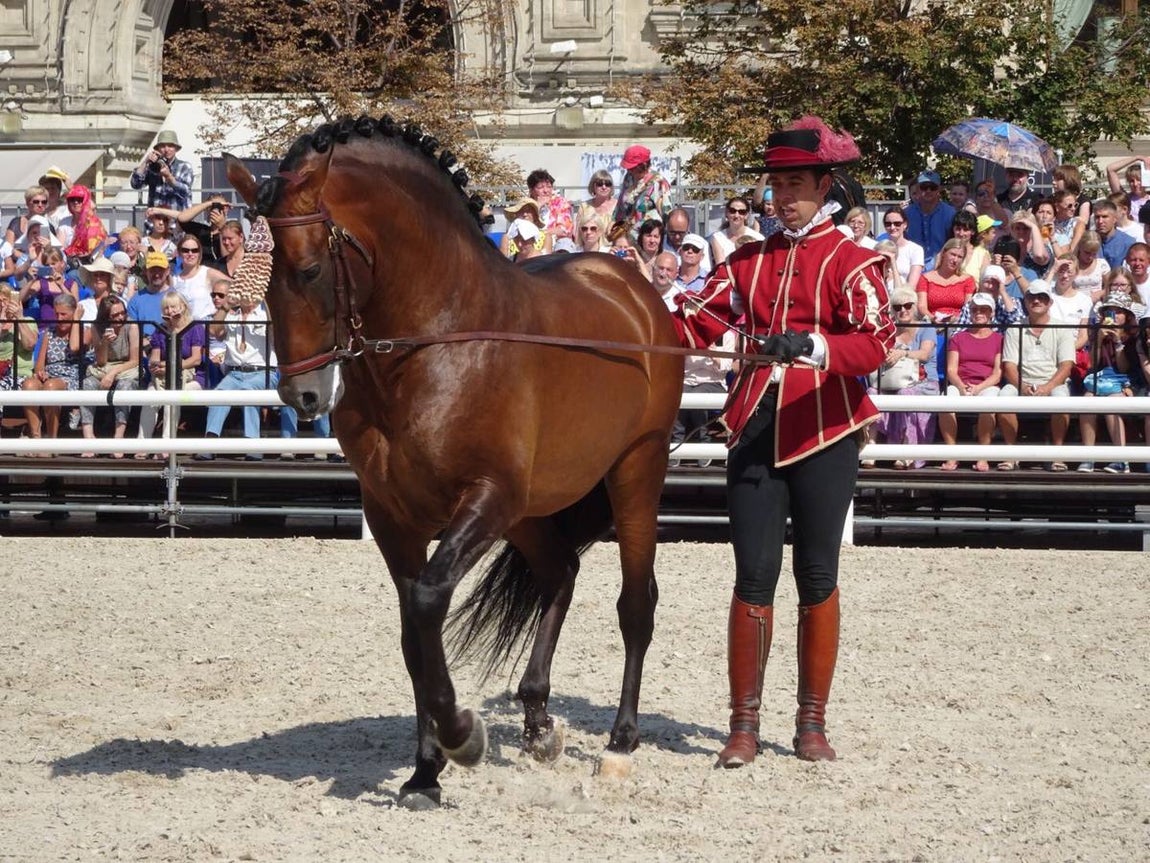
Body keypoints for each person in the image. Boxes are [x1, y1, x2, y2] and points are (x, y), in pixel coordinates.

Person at [670, 116, 892, 767]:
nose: (785, 196)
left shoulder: (855, 260)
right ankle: (742, 724)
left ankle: (811, 723)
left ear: (825, 185)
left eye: (797, 184)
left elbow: (876, 341)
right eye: (778, 185)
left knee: (818, 572)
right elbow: (691, 320)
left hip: (827, 430)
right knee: (752, 574)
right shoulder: (746, 260)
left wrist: (818, 346)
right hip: (754, 429)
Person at [997, 281, 1074, 471]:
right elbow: (1009, 365)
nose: (1037, 301)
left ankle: (1058, 454)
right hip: (1021, 382)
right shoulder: (1014, 328)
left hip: (1053, 381)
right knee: (1004, 397)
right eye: (1032, 297)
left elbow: (1066, 366)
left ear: (1050, 303)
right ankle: (1010, 454)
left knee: (1061, 398)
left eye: (1042, 297)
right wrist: (1022, 386)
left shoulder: (1063, 328)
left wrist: (1047, 387)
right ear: (1025, 301)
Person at [194, 291, 277, 461]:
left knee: (248, 391)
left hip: (263, 372)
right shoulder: (231, 317)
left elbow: (275, 332)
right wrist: (226, 306)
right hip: (235, 373)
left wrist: (266, 300)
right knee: (219, 395)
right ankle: (210, 443)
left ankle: (252, 444)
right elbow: (215, 332)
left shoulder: (264, 315)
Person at [868, 287, 938, 470]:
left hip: (923, 382)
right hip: (891, 379)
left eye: (907, 305)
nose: (903, 310)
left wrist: (902, 353)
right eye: (898, 307)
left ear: (914, 306)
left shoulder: (926, 328)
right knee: (871, 392)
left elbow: (924, 354)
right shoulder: (890, 331)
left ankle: (907, 450)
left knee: (905, 392)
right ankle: (871, 448)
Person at [938, 293, 1004, 471]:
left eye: (984, 309)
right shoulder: (959, 338)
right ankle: (952, 454)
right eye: (975, 309)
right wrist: (961, 386)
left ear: (991, 313)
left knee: (989, 402)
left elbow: (997, 373)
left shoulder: (998, 339)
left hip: (986, 384)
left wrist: (978, 388)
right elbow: (951, 369)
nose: (979, 312)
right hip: (961, 383)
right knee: (945, 400)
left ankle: (983, 456)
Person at [137, 291, 206, 458]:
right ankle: (142, 444)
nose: (169, 311)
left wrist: (168, 367)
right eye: (166, 308)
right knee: (150, 397)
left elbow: (195, 360)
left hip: (192, 377)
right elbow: (154, 358)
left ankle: (166, 445)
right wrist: (156, 367)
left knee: (172, 397)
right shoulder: (160, 331)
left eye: (173, 307)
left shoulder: (195, 328)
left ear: (183, 307)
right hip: (163, 376)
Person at [1077, 290, 1138, 474]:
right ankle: (1088, 458)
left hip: (1122, 381)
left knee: (1114, 401)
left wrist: (1118, 341)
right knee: (1087, 401)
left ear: (1126, 316)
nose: (1113, 315)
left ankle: (1121, 460)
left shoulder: (1133, 336)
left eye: (1118, 311)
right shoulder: (1098, 333)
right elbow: (1092, 364)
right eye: (1109, 311)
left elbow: (1125, 368)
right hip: (1100, 379)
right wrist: (1099, 340)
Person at [78, 295, 141, 458]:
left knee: (124, 387)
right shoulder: (97, 327)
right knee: (88, 384)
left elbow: (135, 360)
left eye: (122, 313)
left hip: (127, 367)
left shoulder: (131, 326)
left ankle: (118, 437)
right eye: (115, 315)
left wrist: (113, 373)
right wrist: (104, 342)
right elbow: (101, 361)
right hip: (104, 366)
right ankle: (88, 437)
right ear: (106, 317)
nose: (120, 317)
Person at [21, 293, 82, 454]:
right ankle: (36, 438)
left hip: (70, 377)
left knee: (51, 386)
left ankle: (51, 442)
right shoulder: (50, 332)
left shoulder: (83, 331)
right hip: (49, 377)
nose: (59, 318)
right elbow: (40, 364)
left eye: (64, 314)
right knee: (28, 384)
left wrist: (76, 320)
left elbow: (75, 347)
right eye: (57, 314)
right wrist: (41, 373)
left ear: (74, 313)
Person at [130, 129, 194, 211]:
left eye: (170, 146)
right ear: (158, 149)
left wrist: (169, 177)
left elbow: (186, 192)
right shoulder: (151, 167)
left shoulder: (184, 167)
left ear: (176, 149)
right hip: (155, 220)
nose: (166, 149)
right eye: (163, 146)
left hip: (176, 219)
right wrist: (145, 162)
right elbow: (135, 185)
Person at [904, 169, 956, 270]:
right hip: (911, 266)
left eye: (933, 187)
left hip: (941, 267)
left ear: (939, 189)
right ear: (918, 189)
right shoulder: (906, 213)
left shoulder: (950, 213)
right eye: (924, 187)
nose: (928, 191)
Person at [613, 144, 673, 232]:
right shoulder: (629, 178)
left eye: (633, 167)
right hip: (626, 236)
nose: (629, 170)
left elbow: (667, 214)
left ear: (643, 165)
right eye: (628, 168)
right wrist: (614, 222)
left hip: (648, 236)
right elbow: (620, 207)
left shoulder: (659, 183)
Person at [917, 237, 975, 325]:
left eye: (959, 257)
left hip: (958, 324)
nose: (955, 260)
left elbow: (968, 307)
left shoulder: (968, 280)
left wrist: (956, 320)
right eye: (953, 254)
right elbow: (922, 306)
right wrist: (933, 318)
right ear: (944, 253)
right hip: (933, 323)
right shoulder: (926, 278)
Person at [170, 234, 216, 320]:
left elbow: (233, 286)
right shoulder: (174, 279)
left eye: (195, 250)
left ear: (199, 253)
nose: (190, 254)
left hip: (204, 328)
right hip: (182, 329)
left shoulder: (207, 273)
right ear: (179, 253)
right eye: (185, 250)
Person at [60, 185, 108, 266]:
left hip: (93, 263)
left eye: (79, 199)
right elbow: (60, 248)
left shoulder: (95, 223)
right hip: (70, 264)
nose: (75, 202)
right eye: (72, 199)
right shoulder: (64, 222)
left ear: (85, 201)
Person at [710, 196, 763, 266]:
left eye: (741, 212)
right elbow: (721, 266)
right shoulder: (718, 238)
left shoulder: (758, 238)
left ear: (746, 215)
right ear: (726, 213)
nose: (736, 215)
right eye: (732, 211)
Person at [881, 206, 923, 292]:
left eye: (897, 224)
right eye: (888, 224)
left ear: (905, 225)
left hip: (904, 298)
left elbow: (912, 286)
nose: (892, 227)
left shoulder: (915, 250)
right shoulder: (879, 247)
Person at [525, 169, 573, 243]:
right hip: (531, 244)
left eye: (549, 187)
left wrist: (540, 234)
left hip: (556, 245)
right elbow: (523, 228)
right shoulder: (526, 205)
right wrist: (537, 206)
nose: (546, 191)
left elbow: (564, 230)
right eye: (540, 187)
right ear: (531, 190)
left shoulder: (560, 203)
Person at [663, 207, 713, 274]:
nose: (677, 237)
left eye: (681, 233)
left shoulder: (701, 244)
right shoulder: (659, 243)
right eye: (672, 233)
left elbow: (706, 272)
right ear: (667, 227)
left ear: (688, 227)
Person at [1093, 199, 1136, 270]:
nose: (1100, 221)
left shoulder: (1128, 243)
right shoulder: (1087, 240)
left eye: (1105, 217)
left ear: (1114, 219)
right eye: (1097, 217)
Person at [1105, 155, 1149, 222]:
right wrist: (1137, 157)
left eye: (1139, 180)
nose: (1135, 184)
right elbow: (1110, 169)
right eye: (1131, 181)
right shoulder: (1124, 198)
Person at [1071, 231, 1111, 302]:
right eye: (1087, 252)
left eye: (1094, 254)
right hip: (1076, 303)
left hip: (1096, 305)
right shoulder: (1072, 264)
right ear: (1080, 247)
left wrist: (1101, 293)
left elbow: (1111, 286)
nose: (1090, 257)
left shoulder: (1102, 264)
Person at [951, 210, 989, 282]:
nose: (961, 233)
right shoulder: (945, 252)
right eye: (958, 229)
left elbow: (985, 283)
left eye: (965, 230)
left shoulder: (982, 254)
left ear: (973, 231)